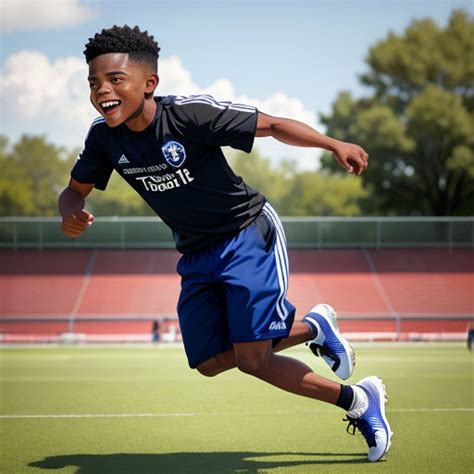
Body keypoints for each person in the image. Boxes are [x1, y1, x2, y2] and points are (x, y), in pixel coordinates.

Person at [59, 25, 392, 462]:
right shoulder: (103, 138)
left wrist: (332, 144)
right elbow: (74, 190)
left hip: (246, 235)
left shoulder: (188, 115)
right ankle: (314, 328)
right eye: (94, 83)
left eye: (115, 79)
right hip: (196, 253)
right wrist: (70, 212)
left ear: (149, 83)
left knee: (253, 360)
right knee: (210, 361)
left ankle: (359, 401)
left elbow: (273, 125)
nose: (102, 90)